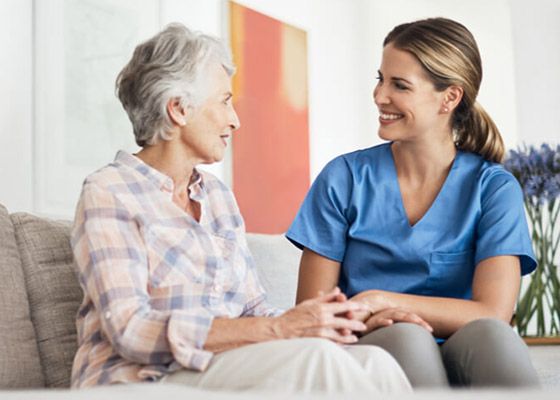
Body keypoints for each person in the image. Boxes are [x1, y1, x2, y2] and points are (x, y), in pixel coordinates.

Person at [70, 23, 411, 394]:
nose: (235, 120)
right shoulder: (110, 192)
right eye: (224, 101)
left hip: (224, 364)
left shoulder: (216, 196)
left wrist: (341, 321)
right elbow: (130, 329)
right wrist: (281, 330)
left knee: (374, 361)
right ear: (179, 109)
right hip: (144, 377)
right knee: (317, 359)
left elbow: (254, 311)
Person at [287, 17, 540, 388]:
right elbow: (312, 317)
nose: (379, 96)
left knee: (495, 338)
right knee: (409, 337)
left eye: (399, 85)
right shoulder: (344, 178)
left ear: (449, 98)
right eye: (380, 79)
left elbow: (493, 313)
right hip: (370, 342)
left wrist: (377, 298)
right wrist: (374, 315)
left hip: (465, 342)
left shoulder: (493, 188)